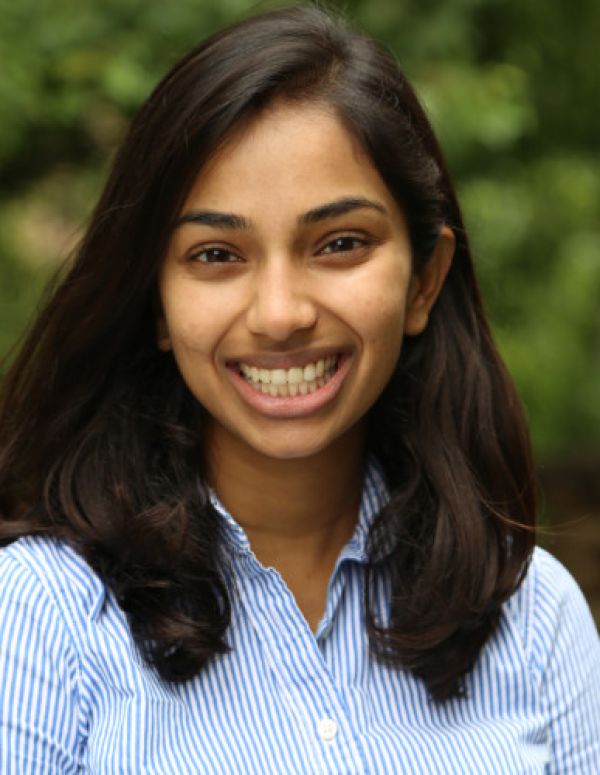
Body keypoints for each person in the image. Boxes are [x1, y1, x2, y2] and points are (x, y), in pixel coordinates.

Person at [0, 5, 598, 773]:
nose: (280, 313)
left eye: (340, 244)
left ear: (424, 280)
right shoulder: (40, 620)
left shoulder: (533, 617)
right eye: (216, 254)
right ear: (154, 301)